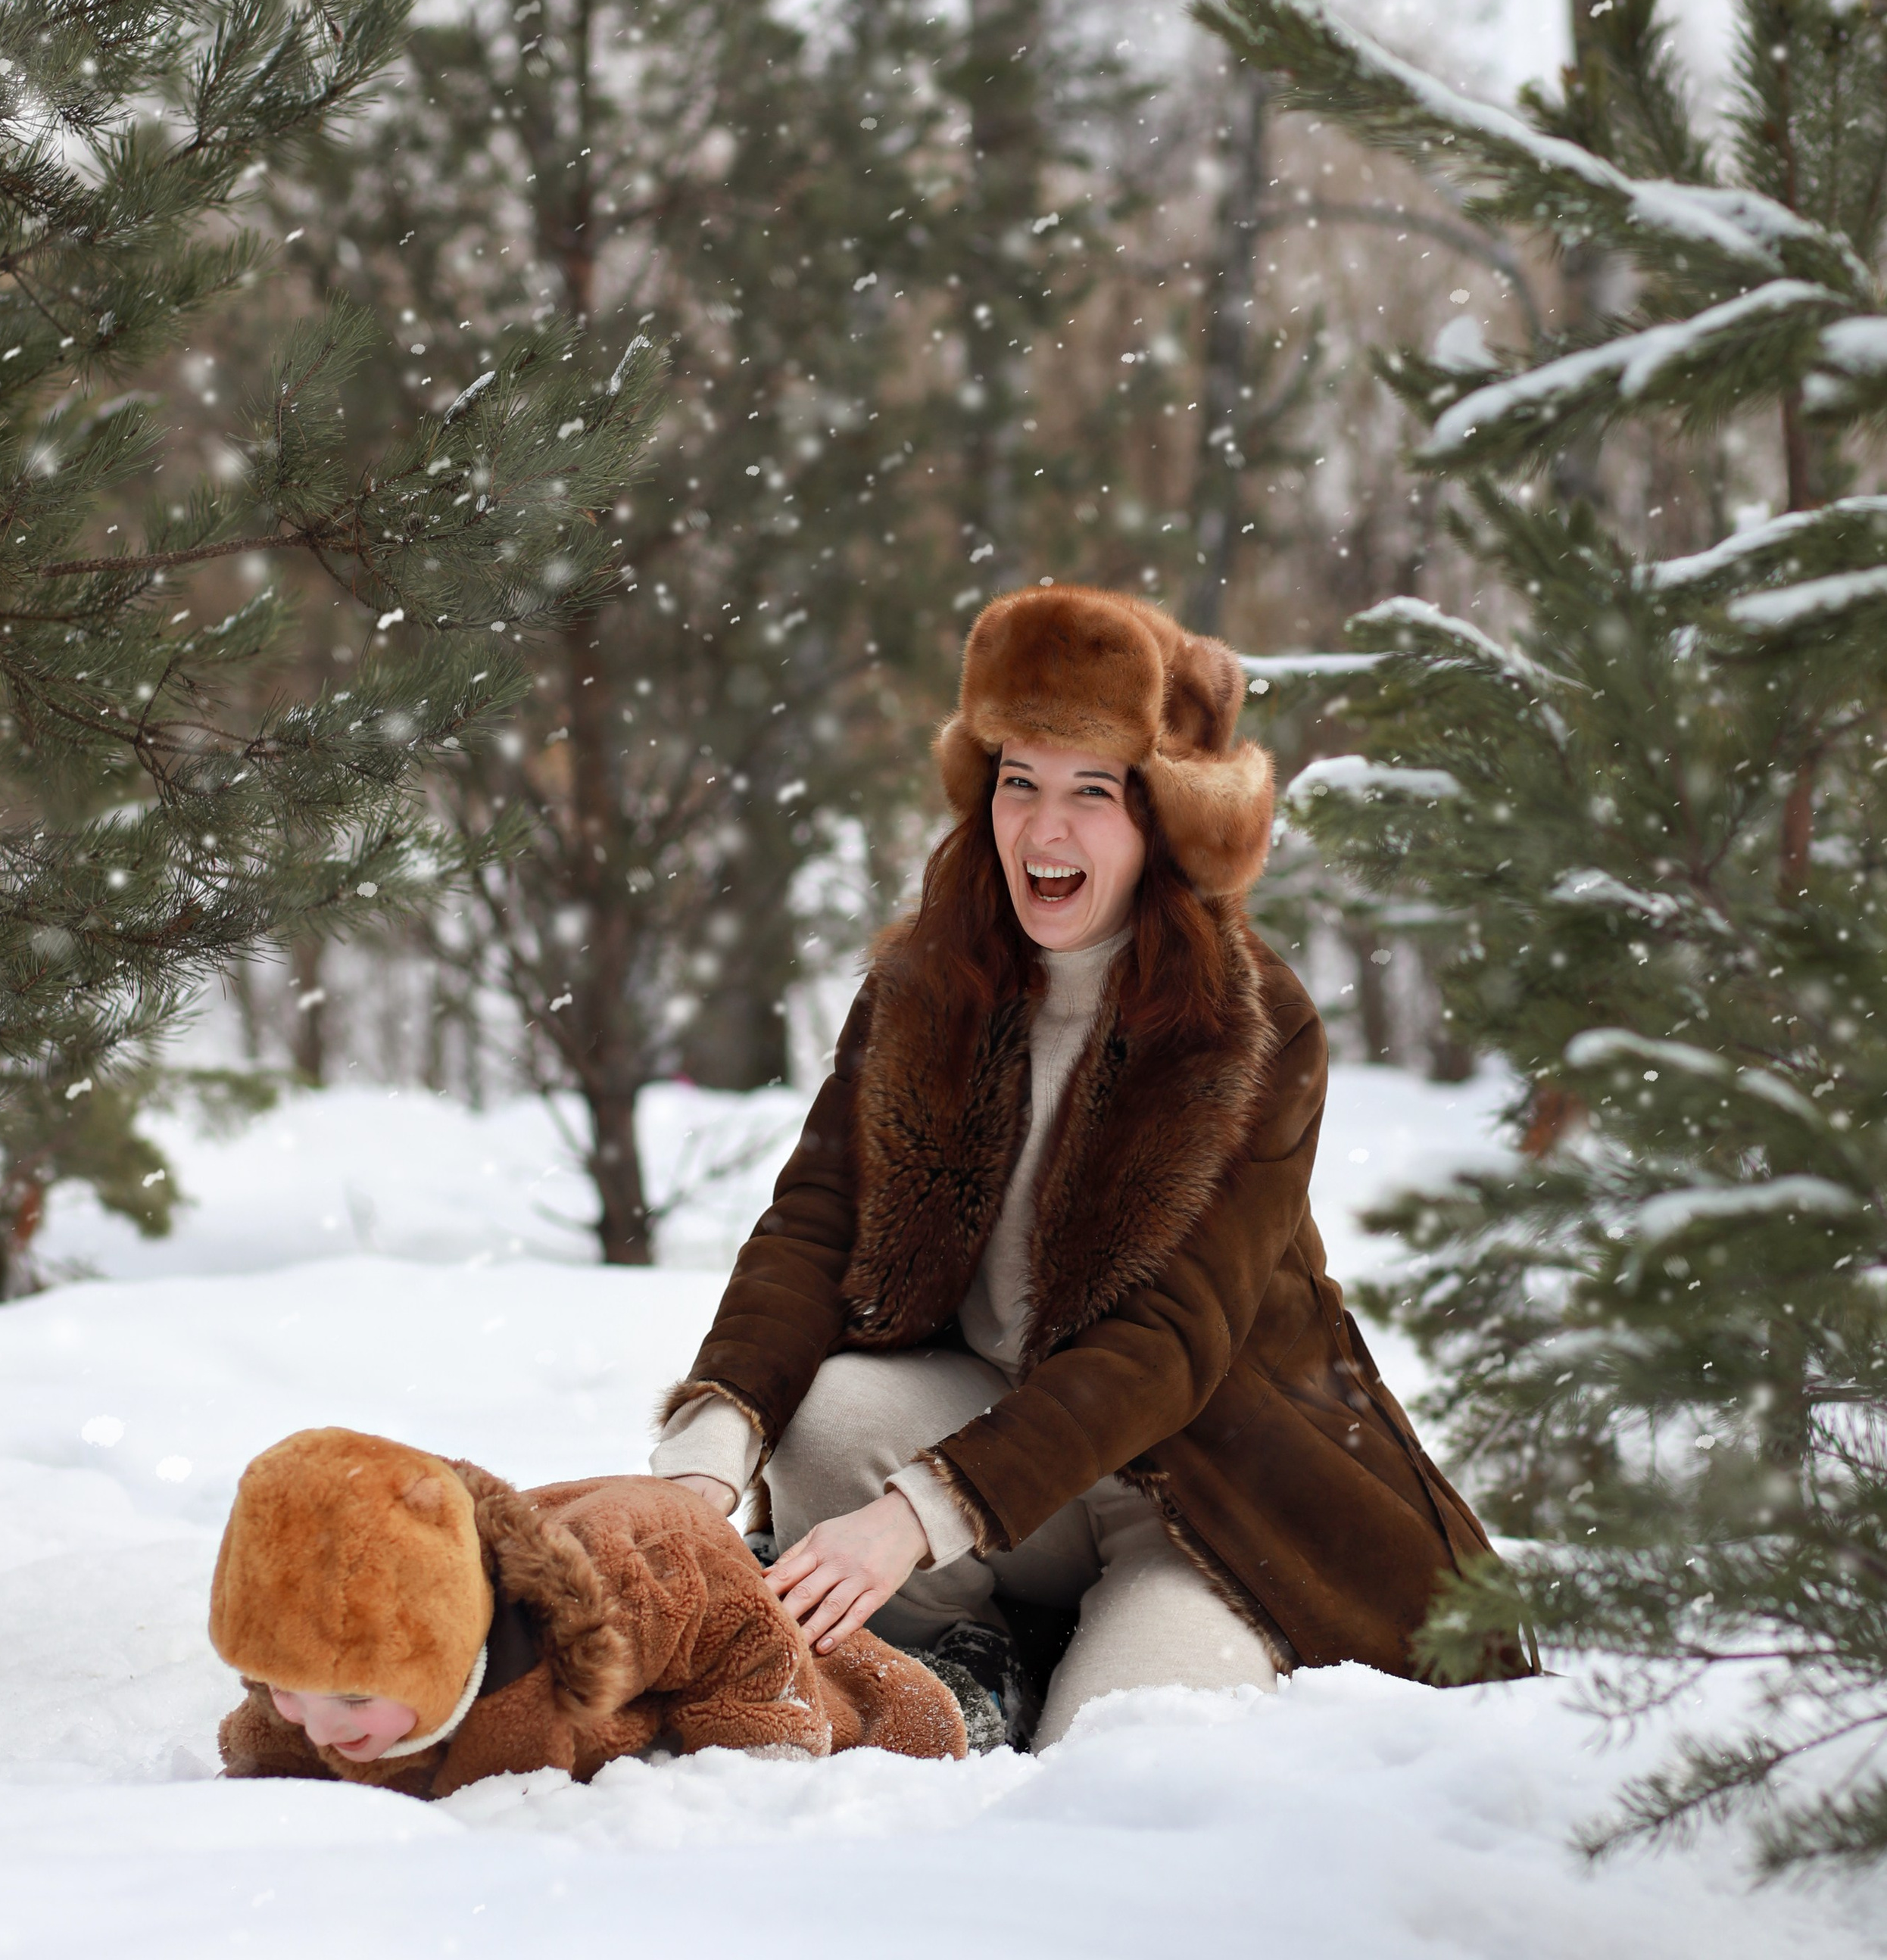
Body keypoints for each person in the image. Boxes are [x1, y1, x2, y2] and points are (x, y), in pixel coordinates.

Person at [653, 582, 1527, 1750]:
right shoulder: (929, 985)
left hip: (1204, 1494)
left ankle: (1069, 1655)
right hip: (1005, 1451)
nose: (1043, 832)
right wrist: (706, 1459)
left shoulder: (1254, 1025)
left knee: (1117, 1750)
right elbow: (815, 1223)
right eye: (1020, 782)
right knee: (828, 1412)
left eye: (1091, 793)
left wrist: (913, 1518)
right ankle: (967, 1647)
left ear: (1161, 818)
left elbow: (1164, 1346)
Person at [209, 1425, 965, 1794]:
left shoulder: (623, 1589)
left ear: (443, 1649)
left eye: (349, 1697)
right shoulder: (310, 1683)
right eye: (278, 1686)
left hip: (743, 1616)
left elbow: (746, 1638)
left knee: (884, 1702)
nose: (321, 1726)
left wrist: (755, 1769)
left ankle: (976, 1669)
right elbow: (277, 1737)